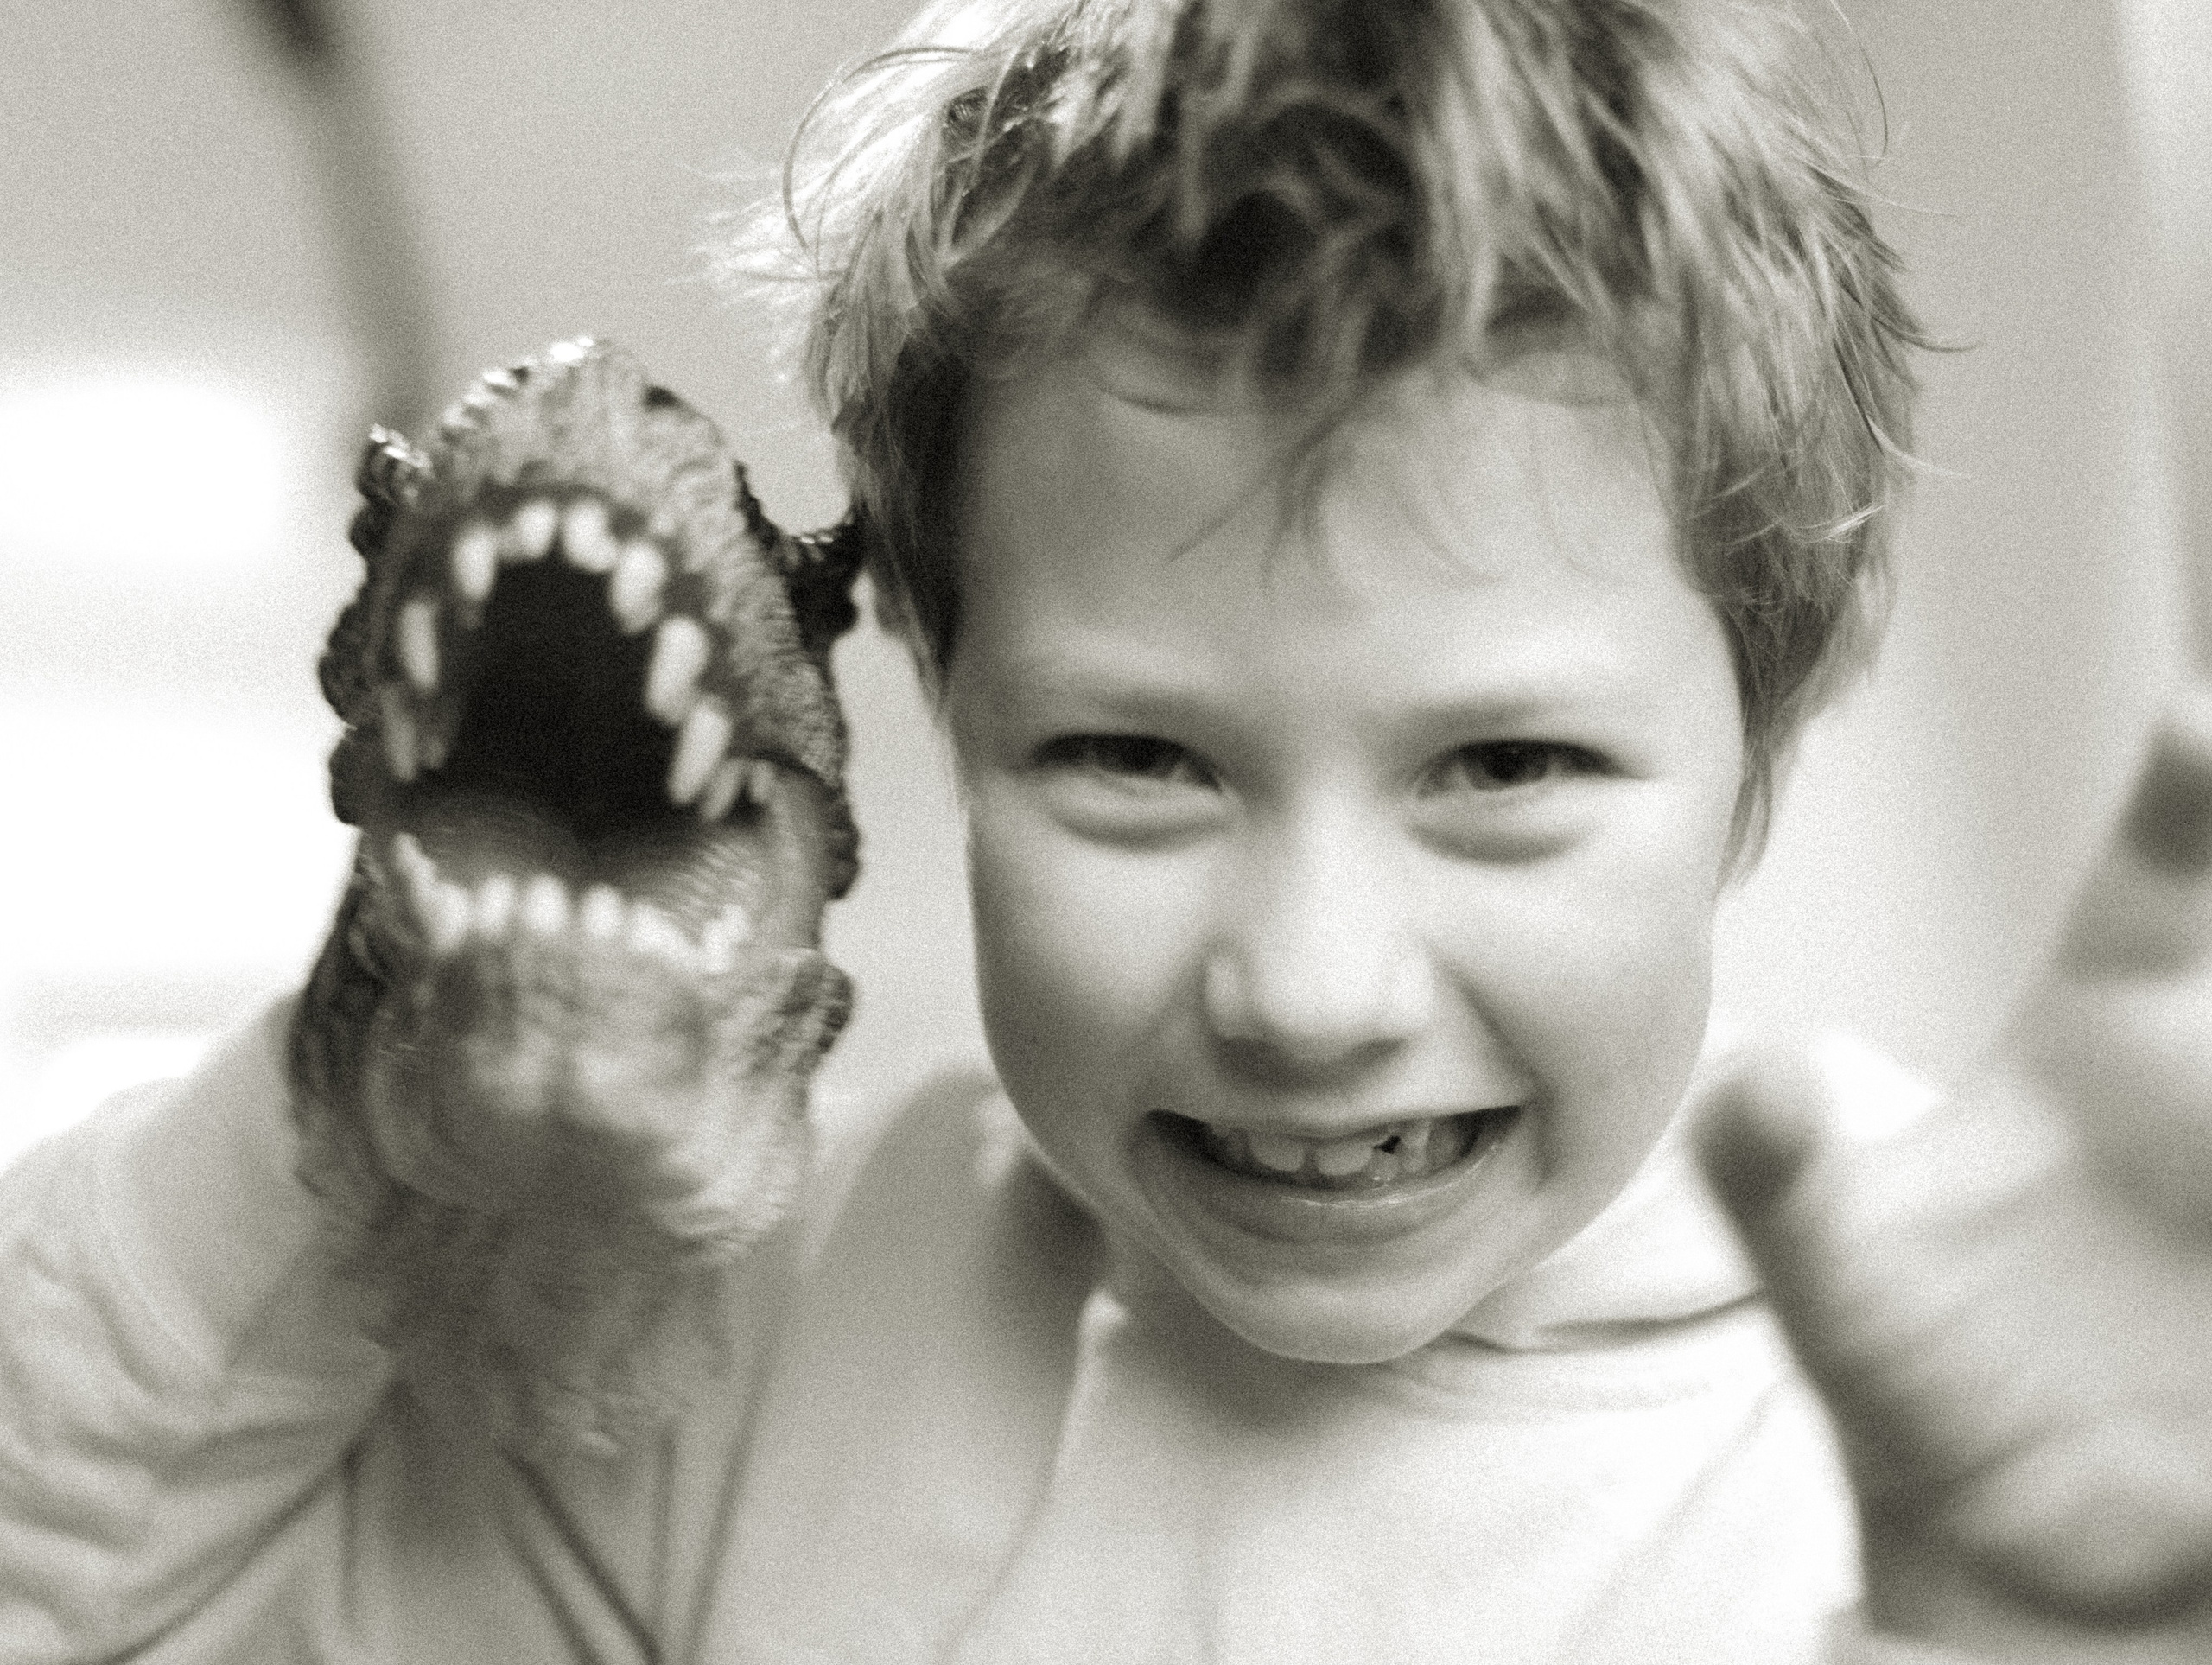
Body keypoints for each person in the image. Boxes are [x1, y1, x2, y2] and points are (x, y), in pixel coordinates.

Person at [0, 1, 2205, 1660]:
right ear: (944, 713)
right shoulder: (732, 1339)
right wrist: (360, 1093)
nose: (1310, 987)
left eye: (1500, 770)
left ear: (1769, 719)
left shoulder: (1940, 1401)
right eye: (1137, 763)